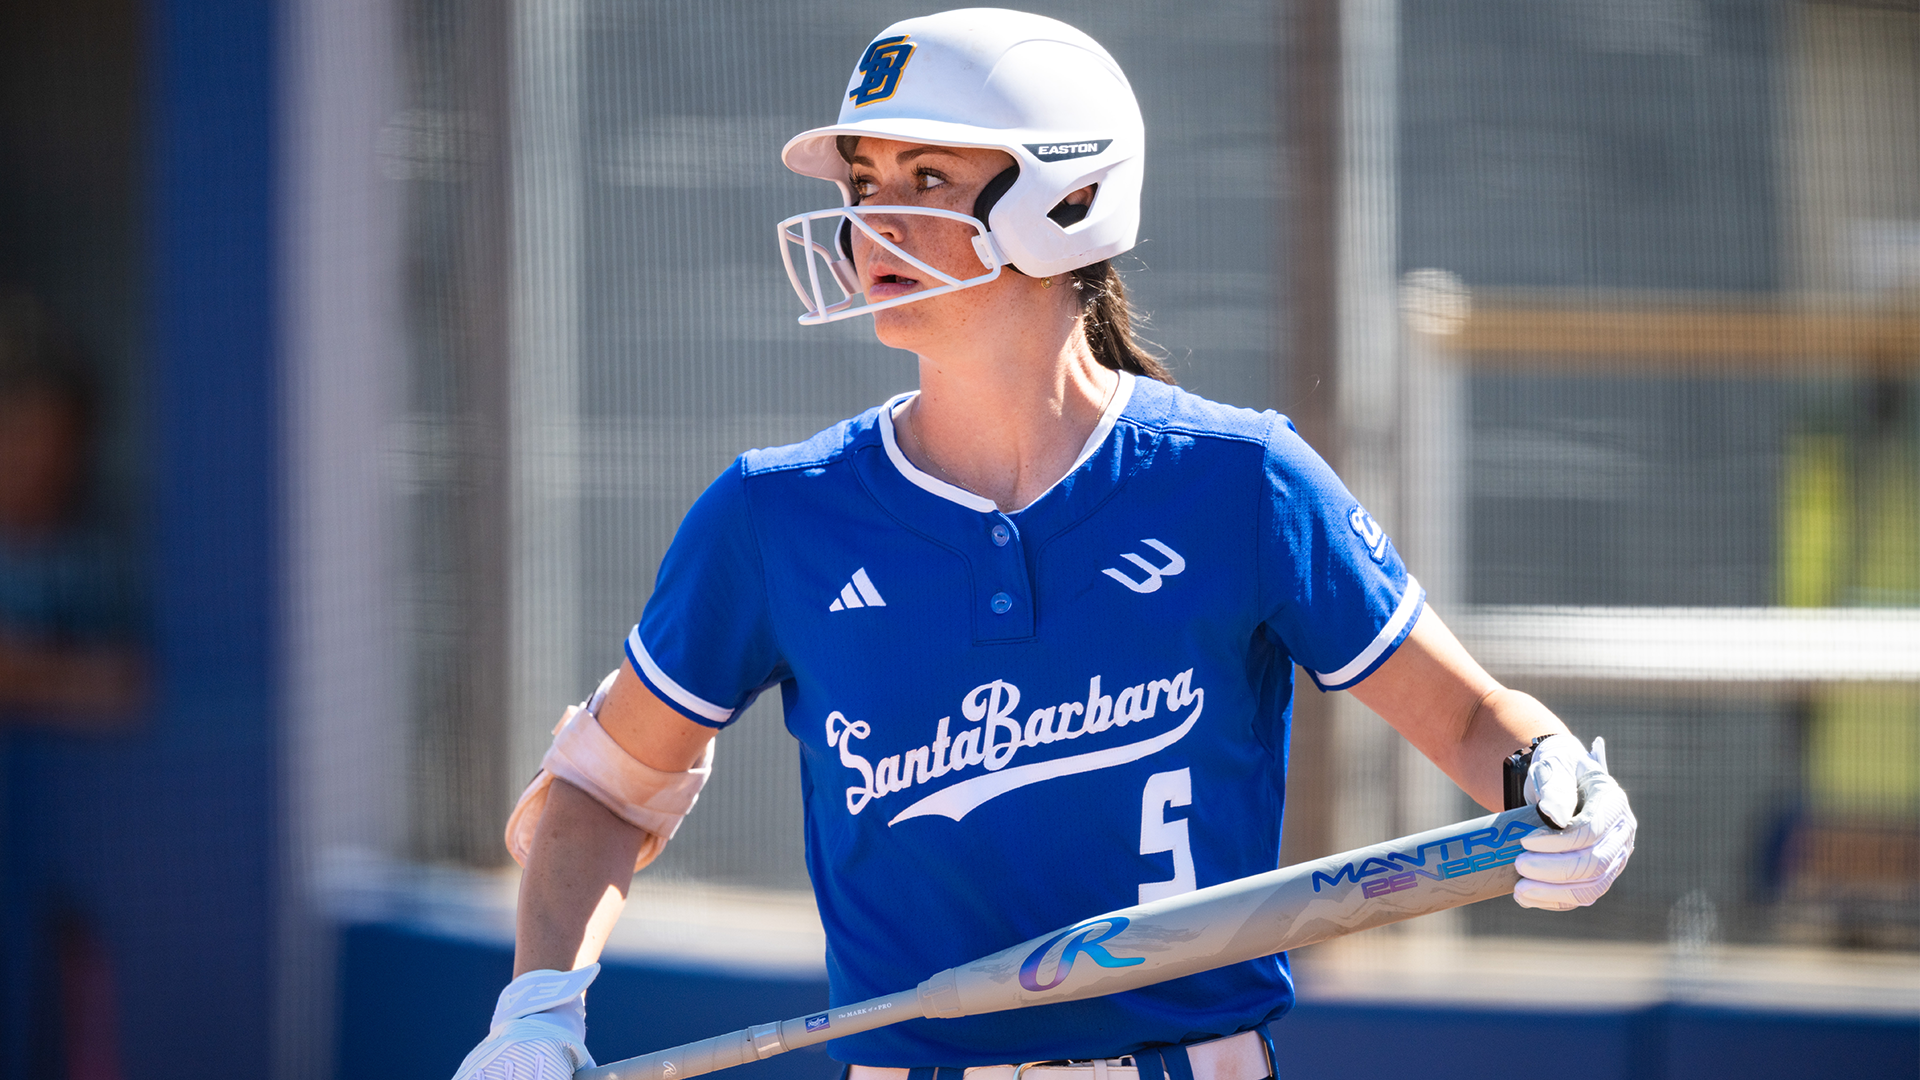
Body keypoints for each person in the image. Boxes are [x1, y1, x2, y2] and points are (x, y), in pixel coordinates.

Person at [453, 10, 1636, 1080]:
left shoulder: (1240, 480)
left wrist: (1558, 780)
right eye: (864, 180)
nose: (869, 222)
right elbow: (601, 794)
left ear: (1064, 197)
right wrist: (539, 1007)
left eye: (924, 175)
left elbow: (1474, 723)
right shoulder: (775, 515)